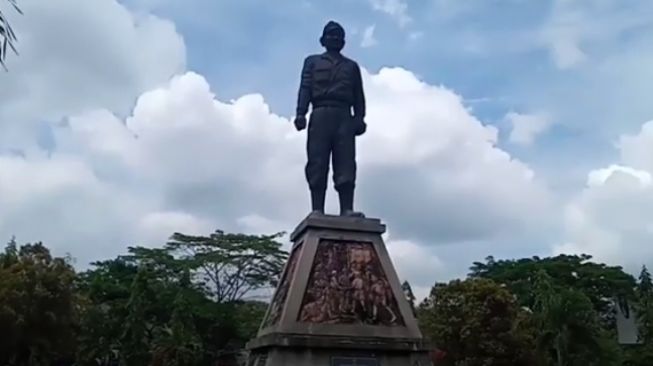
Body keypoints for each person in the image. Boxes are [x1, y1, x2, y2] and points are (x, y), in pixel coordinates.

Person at [294, 20, 367, 217]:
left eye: (338, 36)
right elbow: (305, 88)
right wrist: (300, 113)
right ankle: (317, 208)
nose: (335, 39)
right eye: (331, 35)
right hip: (320, 113)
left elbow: (358, 95)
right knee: (317, 160)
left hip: (344, 116)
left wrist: (359, 117)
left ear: (343, 42)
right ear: (323, 40)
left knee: (346, 162)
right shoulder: (312, 62)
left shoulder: (351, 66)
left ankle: (347, 208)